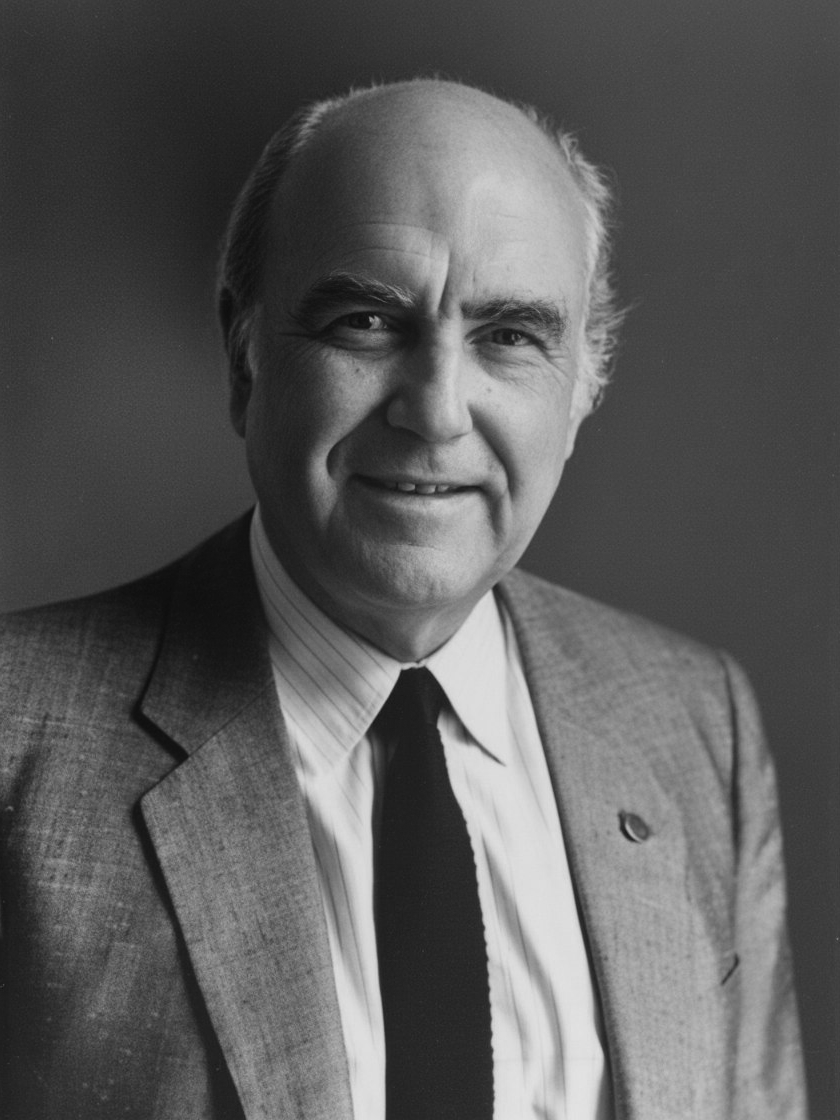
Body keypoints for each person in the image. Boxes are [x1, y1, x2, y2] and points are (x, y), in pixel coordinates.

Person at [0, 79, 806, 1120]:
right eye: (367, 322)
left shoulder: (696, 722)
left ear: (584, 386)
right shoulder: (19, 742)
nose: (435, 410)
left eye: (508, 336)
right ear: (244, 357)